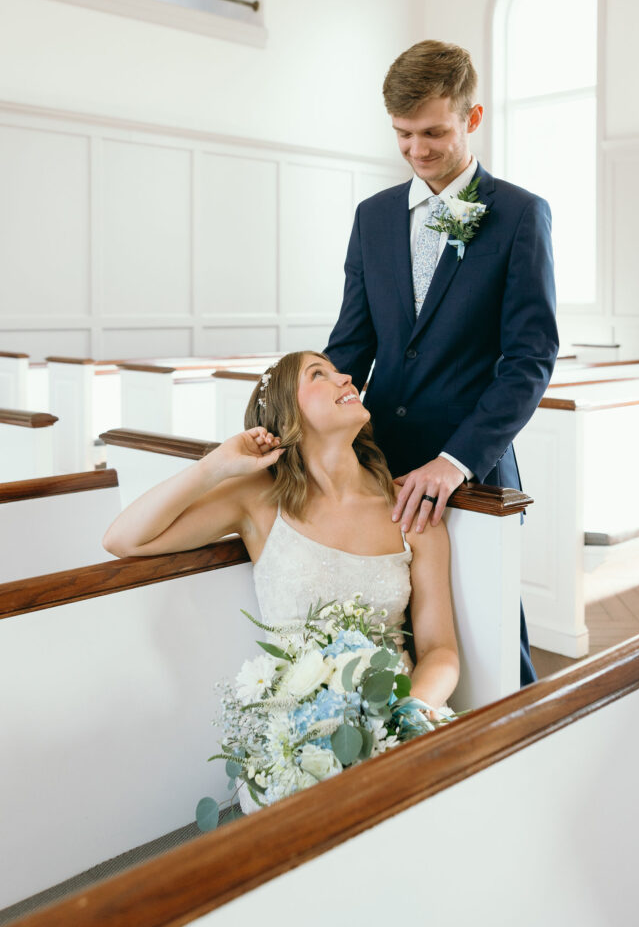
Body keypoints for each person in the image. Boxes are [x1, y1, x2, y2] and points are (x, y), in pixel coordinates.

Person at [325, 40, 559, 688]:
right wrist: (298, 420)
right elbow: (349, 345)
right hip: (374, 464)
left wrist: (453, 461)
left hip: (470, 473)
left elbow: (529, 358)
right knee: (390, 631)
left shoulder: (517, 215)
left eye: (433, 132)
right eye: (402, 134)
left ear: (472, 118)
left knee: (487, 643)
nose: (417, 150)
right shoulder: (371, 218)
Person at [103, 350, 459, 715]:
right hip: (300, 732)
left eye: (338, 371)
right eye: (318, 375)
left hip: (406, 715)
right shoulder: (257, 500)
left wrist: (405, 715)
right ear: (287, 411)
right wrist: (215, 466)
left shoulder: (409, 509)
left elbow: (439, 651)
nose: (345, 378)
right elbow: (123, 539)